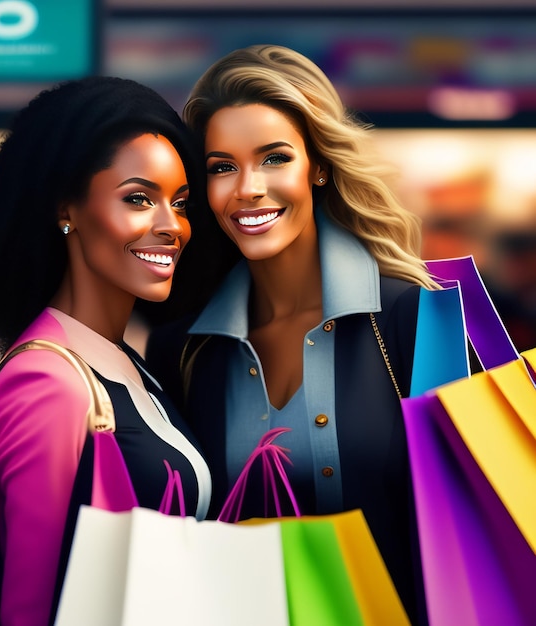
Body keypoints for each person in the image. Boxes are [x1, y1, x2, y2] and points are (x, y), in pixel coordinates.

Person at [146, 44, 464, 625]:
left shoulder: (419, 317)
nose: (248, 188)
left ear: (317, 164)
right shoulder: (184, 346)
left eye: (274, 159)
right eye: (222, 167)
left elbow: (471, 528)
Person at [0, 76, 212, 626]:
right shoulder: (48, 381)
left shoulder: (129, 363)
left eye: (181, 202)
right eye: (139, 199)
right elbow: (29, 603)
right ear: (66, 208)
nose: (171, 226)